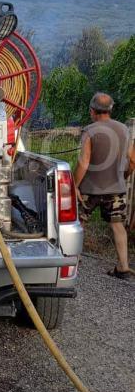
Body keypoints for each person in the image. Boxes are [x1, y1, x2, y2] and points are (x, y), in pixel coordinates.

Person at [73, 92, 135, 279]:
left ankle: (73, 259)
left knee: (78, 223)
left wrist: (75, 185)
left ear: (92, 111)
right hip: (115, 189)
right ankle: (123, 267)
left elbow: (84, 162)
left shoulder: (89, 131)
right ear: (111, 109)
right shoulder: (124, 129)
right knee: (117, 225)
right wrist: (123, 176)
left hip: (89, 190)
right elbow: (132, 159)